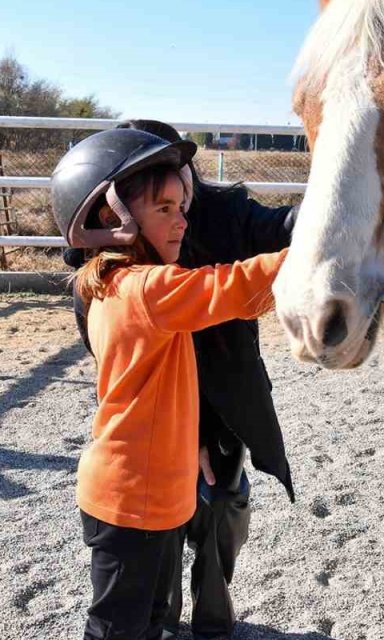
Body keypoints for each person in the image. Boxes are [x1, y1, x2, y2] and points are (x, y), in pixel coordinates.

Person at [50, 127, 291, 640]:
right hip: (131, 499)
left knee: (153, 619)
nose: (183, 219)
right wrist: (320, 250)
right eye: (164, 209)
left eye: (182, 205)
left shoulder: (112, 283)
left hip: (152, 495)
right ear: (110, 219)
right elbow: (237, 288)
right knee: (117, 629)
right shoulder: (146, 288)